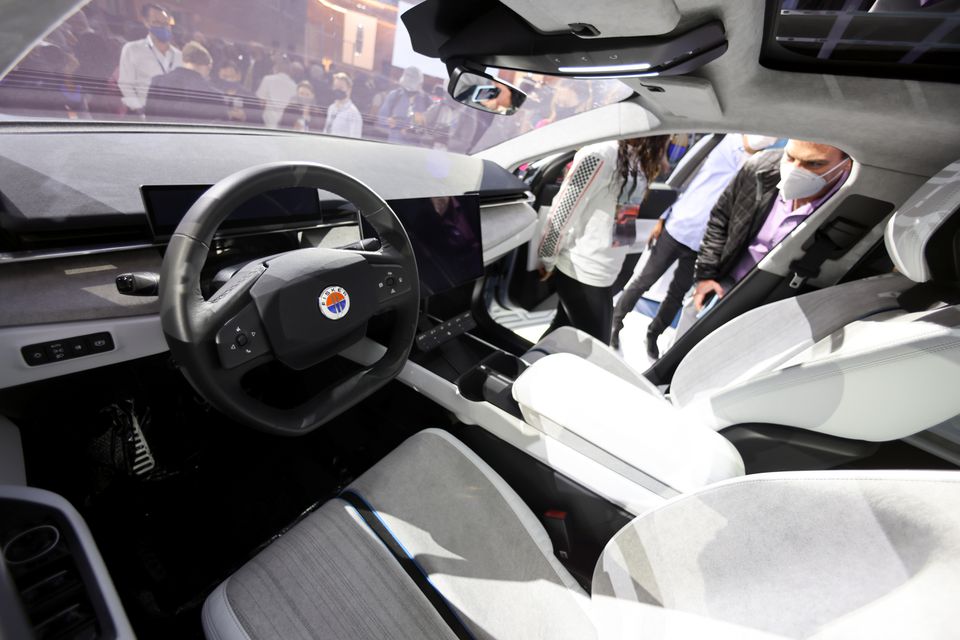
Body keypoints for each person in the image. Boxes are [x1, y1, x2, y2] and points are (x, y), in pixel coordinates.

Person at [610, 134, 779, 357]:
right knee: (643, 280)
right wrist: (662, 216)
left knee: (678, 293)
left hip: (707, 242)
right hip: (679, 225)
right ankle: (615, 324)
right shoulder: (718, 141)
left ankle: (654, 334)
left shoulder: (762, 164)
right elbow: (684, 176)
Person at [691, 139, 852, 314]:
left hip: (785, 305)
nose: (795, 170)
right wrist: (705, 276)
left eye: (814, 163)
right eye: (790, 157)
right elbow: (721, 219)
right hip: (726, 284)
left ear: (846, 164)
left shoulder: (852, 203)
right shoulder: (760, 168)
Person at [537, 136, 672, 342]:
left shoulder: (635, 156)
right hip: (581, 269)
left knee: (562, 333)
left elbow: (622, 220)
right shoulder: (599, 154)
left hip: (602, 271)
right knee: (594, 352)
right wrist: (546, 257)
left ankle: (528, 368)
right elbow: (563, 212)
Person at [117, 3, 182, 116]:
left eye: (166, 23)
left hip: (174, 116)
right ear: (146, 23)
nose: (163, 27)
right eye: (157, 22)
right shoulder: (132, 49)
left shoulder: (179, 56)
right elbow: (125, 84)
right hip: (143, 116)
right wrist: (140, 111)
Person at [145, 41, 227, 123]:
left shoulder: (157, 82)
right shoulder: (215, 96)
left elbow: (149, 119)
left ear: (184, 60)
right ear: (208, 66)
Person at [378, 66, 430, 144]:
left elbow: (429, 129)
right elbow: (381, 118)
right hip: (393, 145)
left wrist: (415, 129)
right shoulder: (394, 96)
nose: (410, 89)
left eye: (413, 83)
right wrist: (388, 121)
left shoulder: (426, 101)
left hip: (414, 149)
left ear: (420, 83)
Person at [215, 58, 262, 125]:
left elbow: (259, 118)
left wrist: (245, 116)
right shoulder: (215, 95)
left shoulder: (249, 96)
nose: (227, 80)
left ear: (238, 76)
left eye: (231, 77)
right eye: (224, 77)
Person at [256, 57, 297, 128]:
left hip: (267, 120)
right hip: (284, 123)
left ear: (276, 68)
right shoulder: (294, 86)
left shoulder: (267, 79)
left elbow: (261, 101)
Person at [323, 72, 363, 139]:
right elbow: (326, 130)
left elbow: (355, 141)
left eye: (341, 88)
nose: (337, 90)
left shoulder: (354, 114)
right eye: (335, 87)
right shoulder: (331, 108)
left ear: (349, 89)